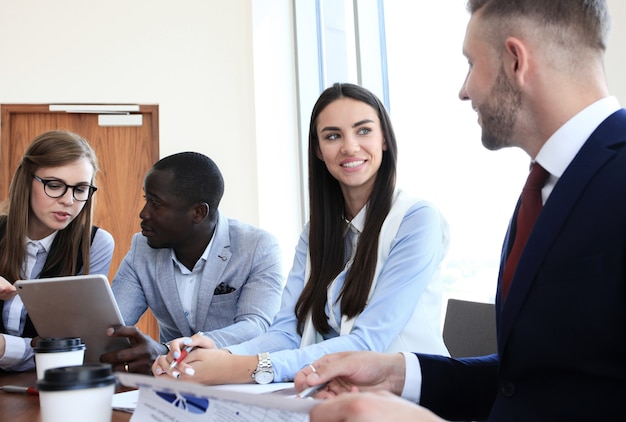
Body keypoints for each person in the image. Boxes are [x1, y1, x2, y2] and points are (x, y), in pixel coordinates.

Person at [295, 0, 626, 421]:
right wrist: (399, 374)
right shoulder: (543, 187)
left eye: (471, 64)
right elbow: (526, 383)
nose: (464, 89)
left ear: (515, 60)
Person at [152, 82, 450, 384]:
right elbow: (286, 331)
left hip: (412, 403)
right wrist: (219, 354)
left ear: (384, 139)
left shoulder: (417, 220)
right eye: (333, 135)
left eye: (363, 131)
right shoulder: (317, 232)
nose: (349, 146)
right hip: (339, 395)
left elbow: (367, 344)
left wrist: (247, 367)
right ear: (319, 151)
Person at [100, 152, 284, 375]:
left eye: (155, 203)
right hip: (172, 384)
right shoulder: (142, 248)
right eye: (146, 200)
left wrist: (167, 351)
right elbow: (112, 325)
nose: (143, 213)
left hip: (236, 378)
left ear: (198, 212)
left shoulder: (257, 247)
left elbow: (256, 326)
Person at [0, 130, 114, 372]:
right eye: (54, 185)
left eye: (81, 189)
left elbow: (79, 345)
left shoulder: (95, 243)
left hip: (50, 383)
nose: (69, 200)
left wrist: (4, 347)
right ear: (25, 181)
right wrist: (28, 346)